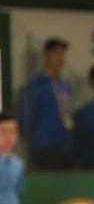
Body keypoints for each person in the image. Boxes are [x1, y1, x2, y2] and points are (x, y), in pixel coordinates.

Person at [16, 37, 75, 171]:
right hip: (43, 148)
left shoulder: (66, 85)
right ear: (47, 55)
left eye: (63, 54)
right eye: (57, 53)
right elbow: (25, 118)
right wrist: (36, 140)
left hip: (65, 146)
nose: (61, 58)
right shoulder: (36, 85)